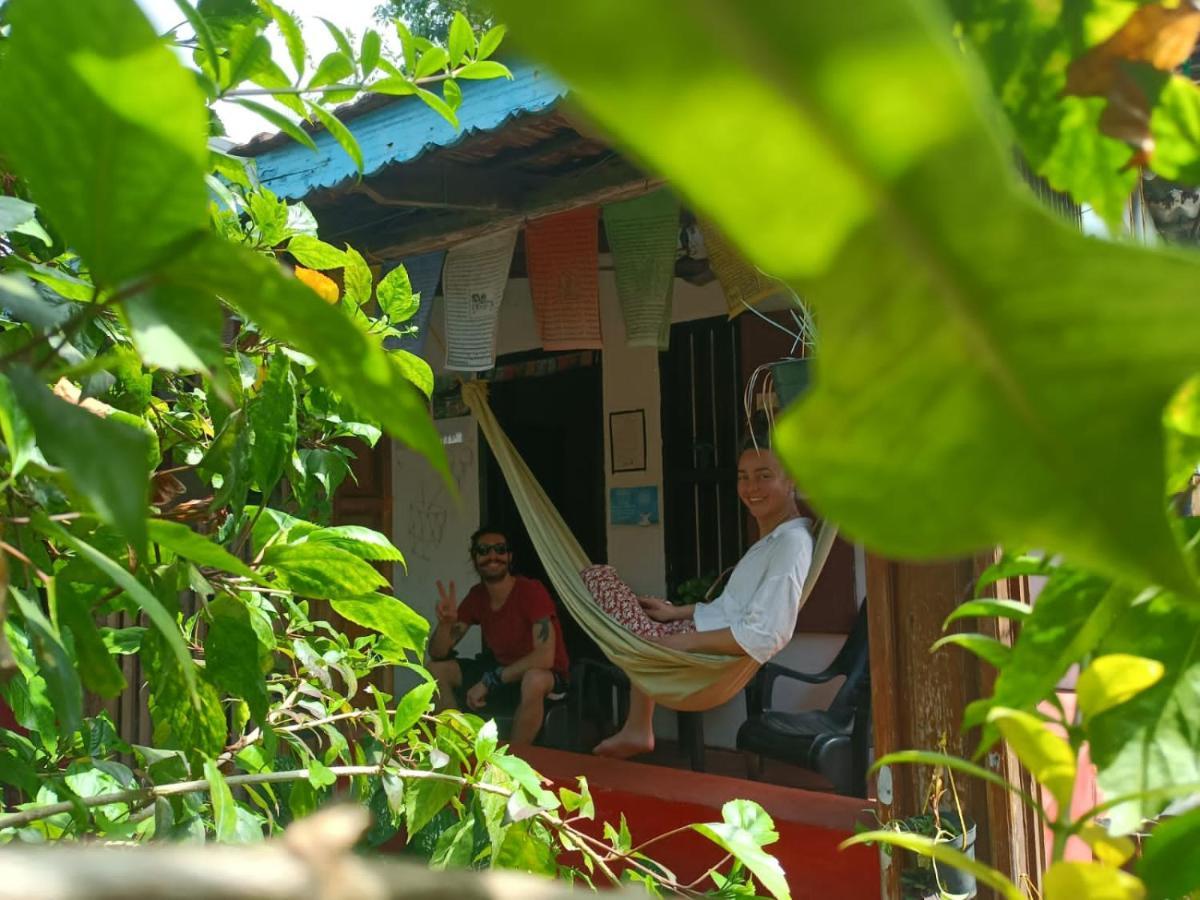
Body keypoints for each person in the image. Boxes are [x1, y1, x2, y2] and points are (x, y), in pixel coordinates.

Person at [582, 433, 813, 758]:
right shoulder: (775, 539)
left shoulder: (792, 543)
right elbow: (733, 608)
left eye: (764, 476)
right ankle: (639, 725)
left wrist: (679, 641)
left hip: (706, 652)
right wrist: (677, 614)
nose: (751, 488)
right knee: (644, 608)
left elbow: (764, 634)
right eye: (743, 477)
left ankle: (637, 726)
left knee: (599, 579)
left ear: (792, 481)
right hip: (698, 633)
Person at [427, 526, 571, 745]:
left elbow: (544, 658)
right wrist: (445, 624)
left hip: (544, 677)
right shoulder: (477, 596)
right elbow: (438, 653)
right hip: (501, 672)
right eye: (483, 550)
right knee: (435, 669)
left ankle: (513, 761)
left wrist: (490, 681)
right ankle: (458, 747)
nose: (492, 556)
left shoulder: (531, 591)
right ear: (474, 558)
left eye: (500, 549)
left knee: (534, 678)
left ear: (509, 556)